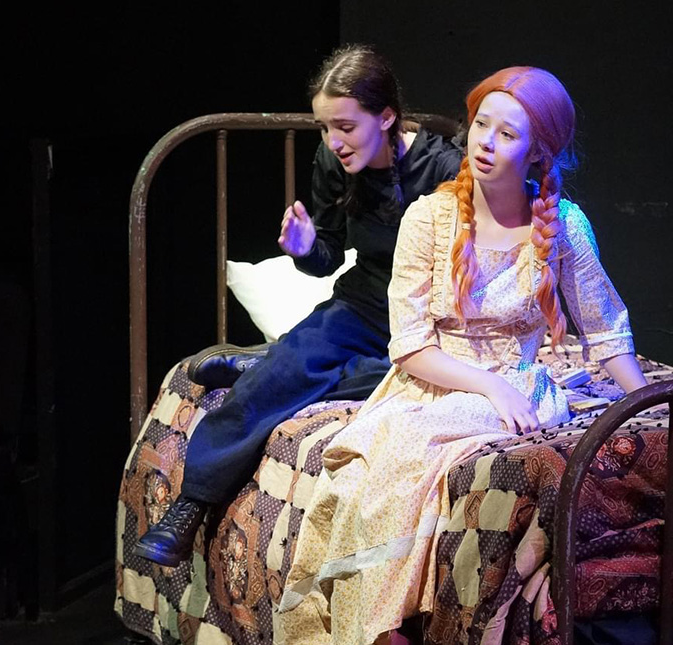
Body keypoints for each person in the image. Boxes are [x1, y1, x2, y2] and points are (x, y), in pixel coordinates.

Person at [276, 66, 648, 644]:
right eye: (480, 125)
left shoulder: (564, 224)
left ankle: (387, 624)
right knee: (377, 468)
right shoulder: (427, 218)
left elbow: (606, 331)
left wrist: (647, 402)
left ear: (536, 152)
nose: (485, 141)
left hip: (516, 383)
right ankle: (376, 624)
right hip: (431, 381)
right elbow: (410, 345)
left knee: (408, 461)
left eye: (507, 133)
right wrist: (490, 386)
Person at [132, 45, 464, 567]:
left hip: (432, 317)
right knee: (284, 377)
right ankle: (191, 503)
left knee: (394, 381)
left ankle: (265, 360)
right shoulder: (333, 162)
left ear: (386, 116)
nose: (334, 141)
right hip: (365, 306)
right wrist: (309, 248)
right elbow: (328, 259)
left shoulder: (444, 167)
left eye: (346, 127)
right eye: (324, 127)